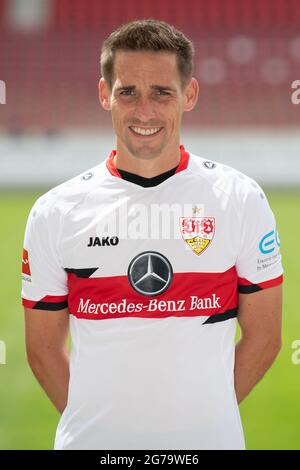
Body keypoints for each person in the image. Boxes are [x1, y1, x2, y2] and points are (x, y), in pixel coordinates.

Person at [21, 19, 283, 450]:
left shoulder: (239, 198)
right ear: (105, 95)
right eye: (128, 92)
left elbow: (267, 337)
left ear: (190, 95)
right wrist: (109, 435)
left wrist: (201, 420)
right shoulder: (56, 211)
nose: (144, 111)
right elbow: (42, 351)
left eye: (162, 92)